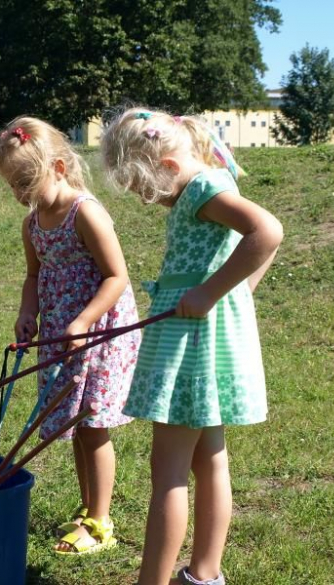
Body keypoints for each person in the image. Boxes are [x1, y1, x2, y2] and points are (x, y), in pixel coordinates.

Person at [101, 108, 283, 585]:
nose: (148, 200)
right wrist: (231, 293)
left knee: (168, 471)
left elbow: (267, 232)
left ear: (168, 166)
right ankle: (204, 575)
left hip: (191, 350)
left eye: (146, 189)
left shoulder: (203, 190)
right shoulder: (204, 188)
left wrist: (211, 294)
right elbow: (255, 246)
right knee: (209, 459)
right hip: (198, 341)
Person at [0, 116, 140, 555]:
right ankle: (89, 509)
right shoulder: (33, 224)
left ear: (58, 167)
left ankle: (100, 524)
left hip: (100, 335)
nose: (19, 193)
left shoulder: (85, 213)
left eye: (25, 181)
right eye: (13, 185)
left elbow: (116, 277)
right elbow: (33, 275)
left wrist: (84, 321)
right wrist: (28, 312)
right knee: (75, 426)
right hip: (63, 335)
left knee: (92, 425)